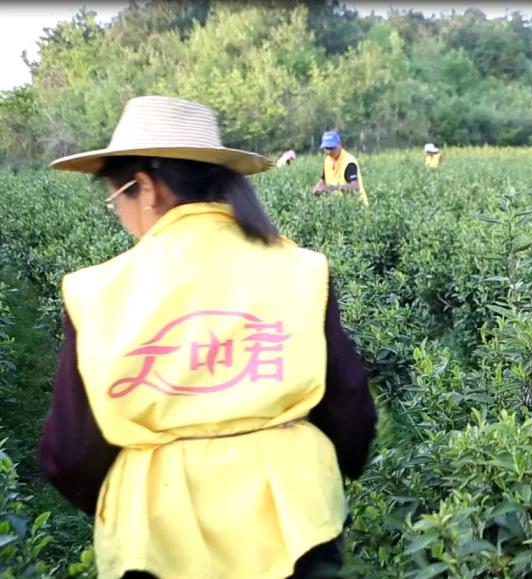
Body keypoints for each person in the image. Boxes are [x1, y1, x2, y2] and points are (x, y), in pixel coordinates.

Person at [38, 96, 378, 579]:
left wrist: (132, 490)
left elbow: (70, 452)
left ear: (147, 188)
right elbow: (350, 410)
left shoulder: (97, 291)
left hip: (156, 542)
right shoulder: (300, 269)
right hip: (295, 531)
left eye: (117, 197)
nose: (118, 212)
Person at [312, 130, 368, 205]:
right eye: (326, 148)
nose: (329, 151)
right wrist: (317, 188)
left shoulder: (349, 162)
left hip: (357, 206)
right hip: (339, 206)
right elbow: (323, 179)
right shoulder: (328, 160)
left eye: (331, 148)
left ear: (339, 145)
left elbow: (355, 187)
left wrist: (334, 188)